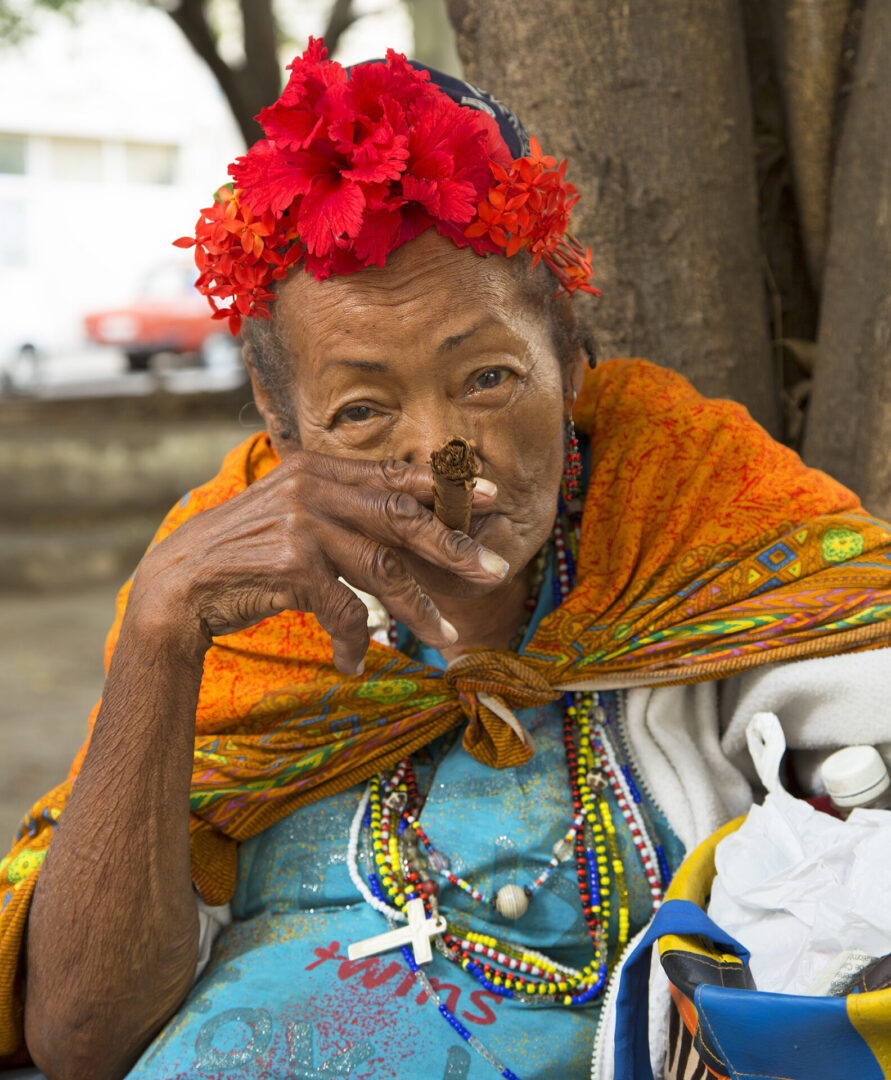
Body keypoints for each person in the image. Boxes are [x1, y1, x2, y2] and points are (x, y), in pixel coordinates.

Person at [3, 41, 891, 1080]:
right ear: (281, 425)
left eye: (487, 378)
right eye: (364, 409)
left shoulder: (691, 524)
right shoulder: (230, 613)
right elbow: (77, 1036)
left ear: (567, 350)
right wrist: (159, 637)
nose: (445, 459)